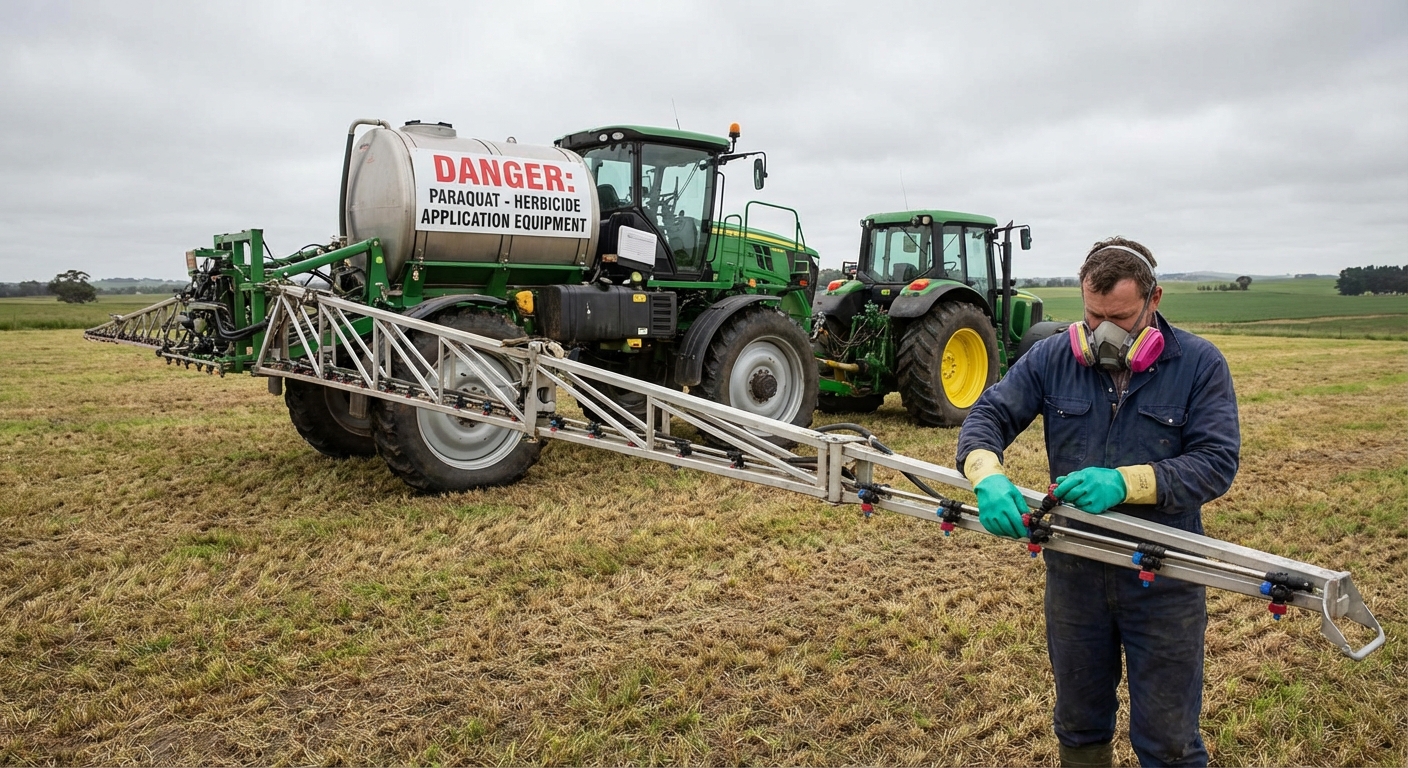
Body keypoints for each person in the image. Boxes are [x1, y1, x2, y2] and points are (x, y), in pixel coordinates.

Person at [955, 237, 1240, 768]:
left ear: (1154, 301)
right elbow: (987, 416)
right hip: (1076, 572)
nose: (1106, 331)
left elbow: (1216, 463)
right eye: (1093, 315)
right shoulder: (1052, 358)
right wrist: (986, 473)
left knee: (1169, 740)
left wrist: (1123, 483)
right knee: (1080, 724)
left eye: (1123, 317)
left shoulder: (1200, 364)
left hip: (1162, 574)